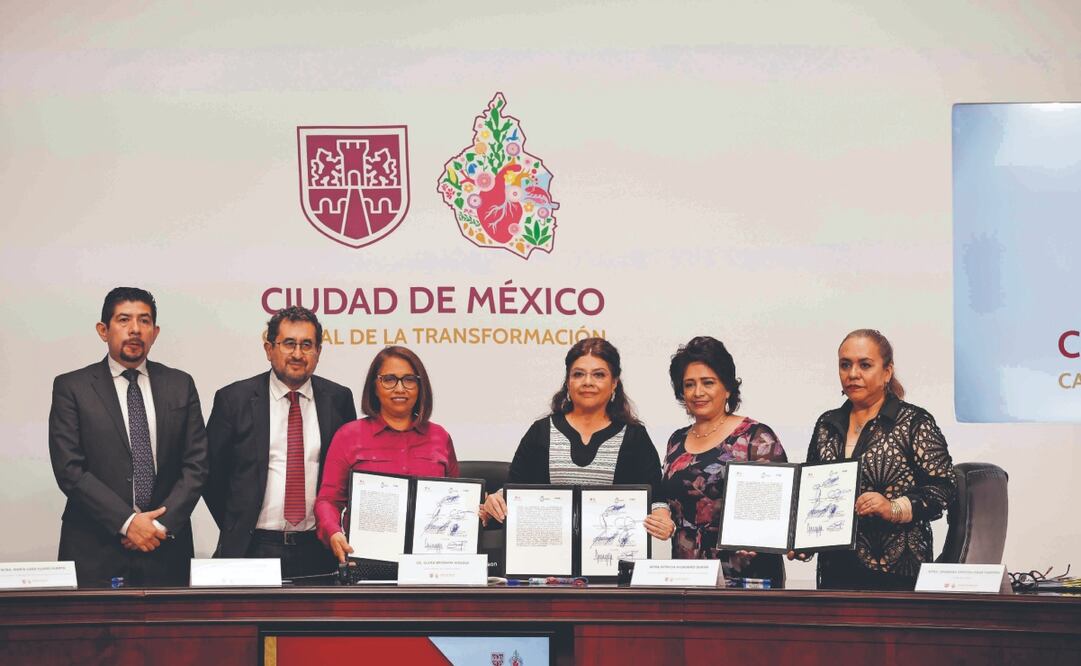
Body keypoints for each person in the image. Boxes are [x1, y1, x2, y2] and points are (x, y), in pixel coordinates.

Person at [48, 287, 208, 587]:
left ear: (155, 332)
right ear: (103, 330)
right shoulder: (72, 388)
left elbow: (196, 466)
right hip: (95, 548)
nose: (135, 330)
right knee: (93, 634)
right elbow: (69, 469)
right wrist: (128, 523)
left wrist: (156, 526)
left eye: (144, 321)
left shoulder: (180, 385)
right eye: (124, 320)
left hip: (165, 546)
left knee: (170, 634)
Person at [790, 329, 957, 591]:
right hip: (836, 575)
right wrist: (800, 541)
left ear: (887, 372)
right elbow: (813, 493)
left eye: (865, 365)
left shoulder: (913, 422)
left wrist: (893, 508)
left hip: (896, 575)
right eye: (845, 365)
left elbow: (944, 488)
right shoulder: (827, 424)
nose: (853, 374)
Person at [204, 306, 356, 580]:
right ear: (269, 348)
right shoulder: (233, 400)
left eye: (307, 345)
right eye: (289, 344)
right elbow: (211, 476)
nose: (298, 354)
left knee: (318, 624)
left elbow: (347, 477)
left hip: (318, 550)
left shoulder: (338, 400)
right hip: (252, 548)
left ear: (318, 352)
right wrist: (238, 524)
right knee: (250, 623)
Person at [481, 338, 674, 540]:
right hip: (547, 558)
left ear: (614, 382)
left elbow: (656, 499)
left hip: (612, 560)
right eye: (578, 374)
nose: (587, 382)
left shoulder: (635, 436)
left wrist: (661, 516)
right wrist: (496, 499)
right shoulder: (541, 432)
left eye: (599, 375)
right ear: (568, 382)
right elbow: (515, 489)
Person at [315, 346, 458, 563]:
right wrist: (333, 532)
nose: (400, 388)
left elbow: (456, 502)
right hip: (367, 560)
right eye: (389, 379)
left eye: (409, 379)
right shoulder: (349, 436)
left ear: (420, 386)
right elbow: (328, 501)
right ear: (374, 386)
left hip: (431, 563)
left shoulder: (440, 437)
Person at [661, 336, 787, 580]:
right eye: (689, 384)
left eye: (708, 382)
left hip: (746, 578)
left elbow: (779, 509)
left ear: (727, 387)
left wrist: (762, 537)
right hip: (686, 578)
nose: (698, 392)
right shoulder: (676, 441)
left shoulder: (756, 437)